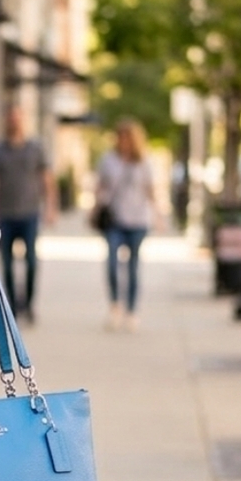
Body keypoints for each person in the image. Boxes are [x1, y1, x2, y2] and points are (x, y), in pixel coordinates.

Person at [0, 104, 57, 324]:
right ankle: (13, 307)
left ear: (23, 120)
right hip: (5, 215)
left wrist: (51, 207)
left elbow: (47, 178)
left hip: (30, 213)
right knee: (6, 263)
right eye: (11, 118)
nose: (14, 121)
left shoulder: (35, 148)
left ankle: (28, 304)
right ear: (7, 121)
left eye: (18, 117)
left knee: (31, 261)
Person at [95, 118, 157, 331]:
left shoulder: (145, 161)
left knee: (132, 266)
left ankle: (131, 311)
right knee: (112, 262)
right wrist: (95, 208)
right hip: (115, 219)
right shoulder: (109, 160)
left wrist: (158, 215)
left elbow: (151, 189)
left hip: (139, 220)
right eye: (119, 137)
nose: (122, 141)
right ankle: (115, 305)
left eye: (126, 137)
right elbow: (101, 186)